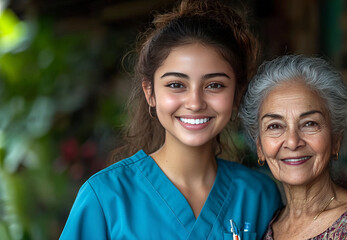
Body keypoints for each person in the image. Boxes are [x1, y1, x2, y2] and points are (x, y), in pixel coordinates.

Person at [60, 1, 282, 239]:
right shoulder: (105, 197)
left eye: (215, 85)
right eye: (176, 85)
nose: (195, 103)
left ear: (237, 93)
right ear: (150, 93)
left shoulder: (259, 196)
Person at [239, 55, 347, 239]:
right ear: (260, 147)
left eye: (309, 124)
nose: (292, 142)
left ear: (336, 140)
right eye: (275, 126)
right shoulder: (264, 227)